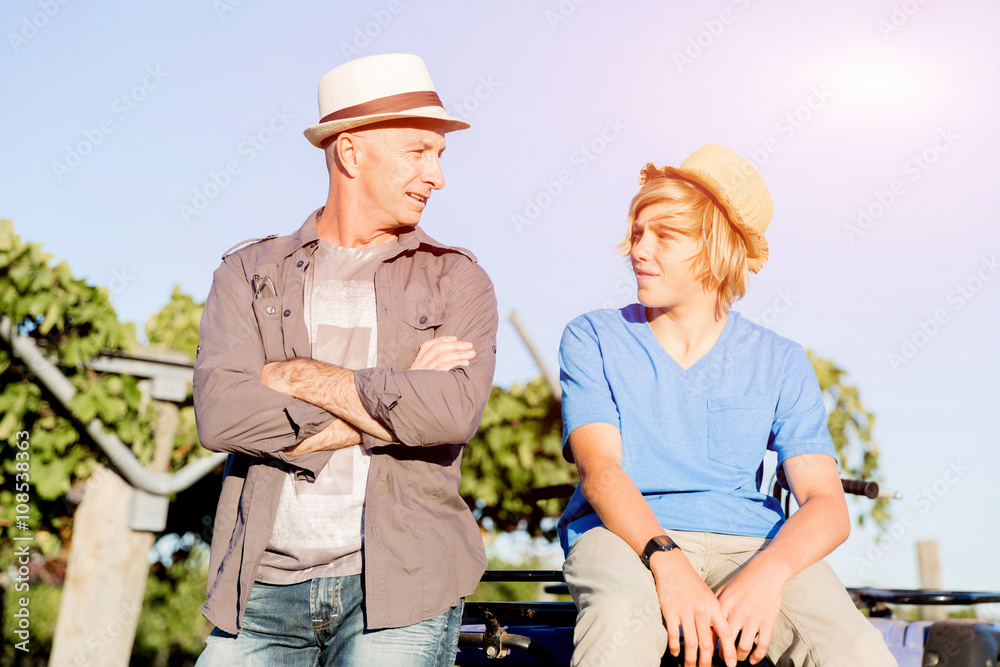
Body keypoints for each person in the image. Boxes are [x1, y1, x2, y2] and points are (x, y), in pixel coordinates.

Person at [192, 53, 498, 666]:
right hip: (260, 595)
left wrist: (294, 378)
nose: (436, 177)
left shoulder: (458, 281)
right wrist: (396, 403)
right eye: (418, 152)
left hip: (404, 590)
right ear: (350, 153)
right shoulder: (249, 274)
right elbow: (222, 417)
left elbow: (449, 416)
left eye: (439, 156)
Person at [556, 144, 896, 667]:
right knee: (620, 619)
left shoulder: (780, 360)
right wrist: (668, 564)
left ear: (716, 248)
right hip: (625, 539)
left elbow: (827, 505)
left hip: (753, 543)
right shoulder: (594, 337)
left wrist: (770, 573)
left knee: (855, 650)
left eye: (664, 236)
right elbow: (600, 471)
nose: (639, 250)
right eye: (638, 232)